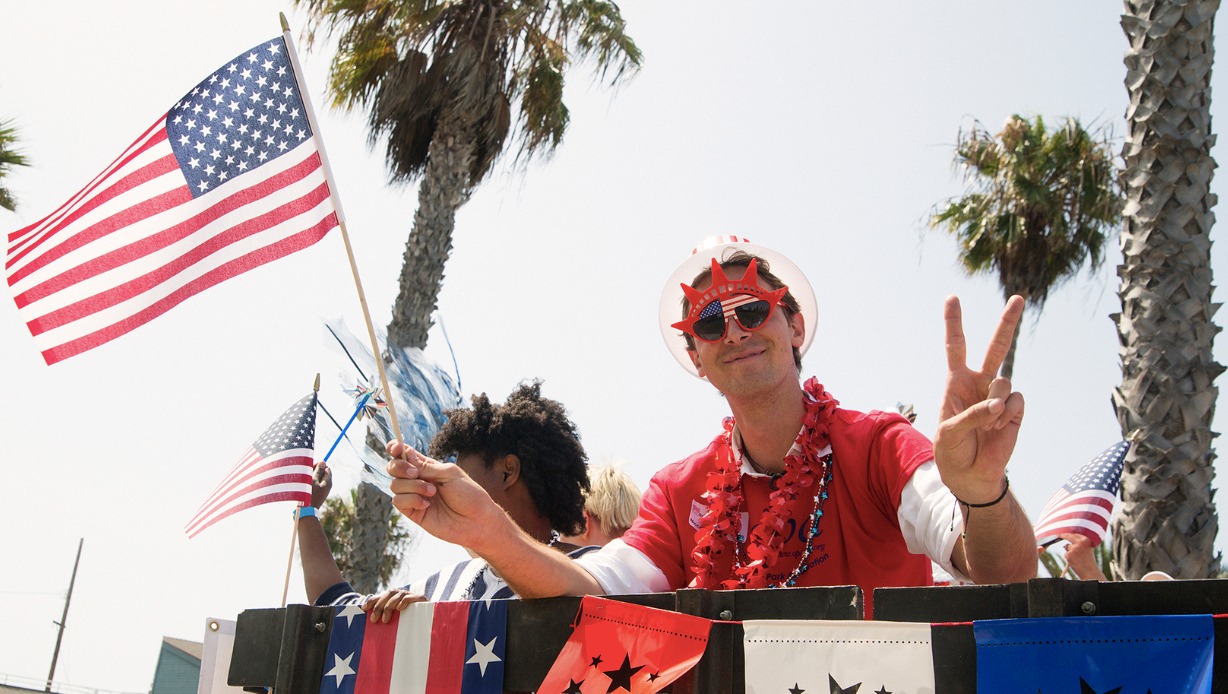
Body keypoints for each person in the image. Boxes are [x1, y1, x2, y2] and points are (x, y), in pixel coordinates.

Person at [382, 237, 1038, 613]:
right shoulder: (680, 490)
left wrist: (982, 492)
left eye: (754, 310)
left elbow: (1004, 576)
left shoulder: (879, 444)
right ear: (696, 358)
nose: (735, 332)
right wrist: (491, 532)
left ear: (795, 326)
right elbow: (594, 589)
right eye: (708, 323)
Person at [296, 380, 595, 618]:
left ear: (508, 472)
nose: (444, 488)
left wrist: (445, 625)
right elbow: (337, 607)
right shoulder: (453, 582)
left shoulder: (591, 569)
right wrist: (307, 512)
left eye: (461, 474)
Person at [560, 463, 643, 547]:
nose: (559, 541)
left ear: (582, 523)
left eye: (564, 526)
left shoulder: (580, 559)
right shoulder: (642, 558)